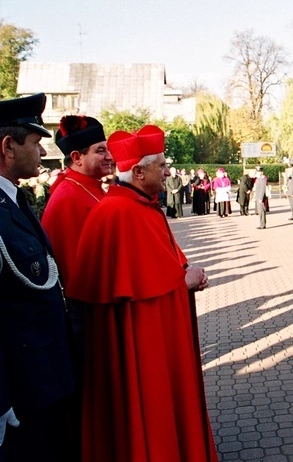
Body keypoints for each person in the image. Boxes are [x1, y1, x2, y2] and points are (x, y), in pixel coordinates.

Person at [66, 124, 217, 462]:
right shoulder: (121, 212)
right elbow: (143, 294)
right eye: (160, 165)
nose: (167, 172)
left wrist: (179, 276)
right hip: (144, 350)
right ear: (137, 171)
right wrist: (184, 282)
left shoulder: (135, 205)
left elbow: (151, 275)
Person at [0, 93, 75, 461]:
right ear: (8, 147)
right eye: (36, 142)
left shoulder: (14, 201)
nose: (43, 153)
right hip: (21, 391)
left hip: (44, 379)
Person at [41, 114, 113, 459]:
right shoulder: (70, 198)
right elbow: (80, 278)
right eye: (101, 150)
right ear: (76, 158)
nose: (110, 157)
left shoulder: (90, 190)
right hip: (87, 323)